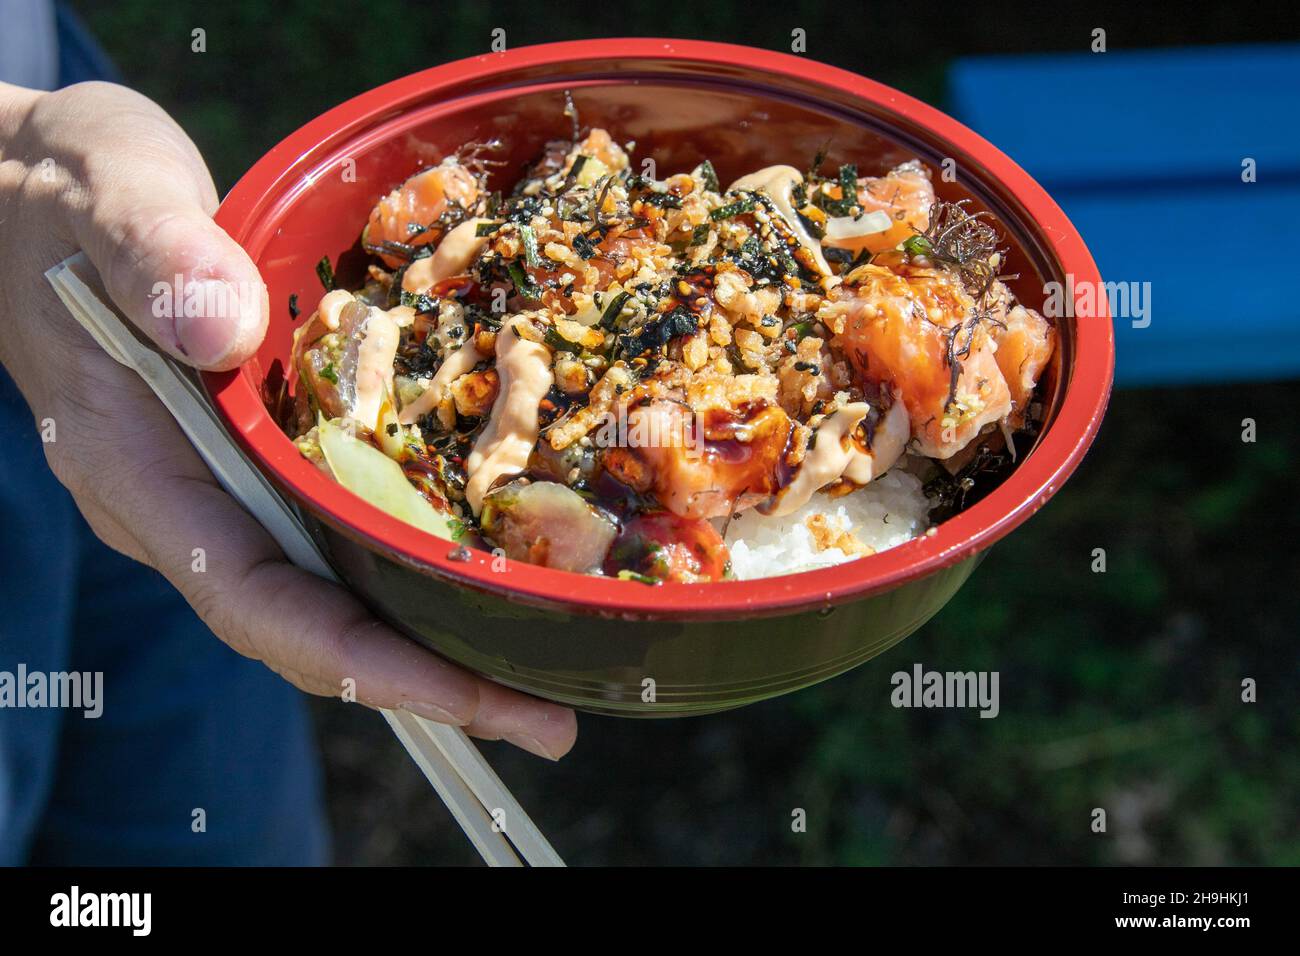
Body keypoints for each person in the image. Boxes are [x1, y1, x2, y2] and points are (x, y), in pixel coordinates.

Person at [0, 1, 576, 866]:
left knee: (226, 828)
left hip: (57, 146)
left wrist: (29, 158)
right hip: (42, 183)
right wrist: (12, 170)